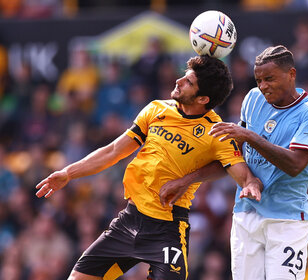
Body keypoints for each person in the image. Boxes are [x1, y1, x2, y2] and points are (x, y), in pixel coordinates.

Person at [35, 55, 263, 280]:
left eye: (188, 82)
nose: (178, 81)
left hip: (168, 229)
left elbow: (240, 173)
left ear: (203, 99)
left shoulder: (216, 132)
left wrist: (250, 183)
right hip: (129, 220)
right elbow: (114, 151)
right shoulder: (156, 109)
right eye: (184, 76)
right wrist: (68, 173)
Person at [160, 45, 308, 280]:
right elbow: (231, 159)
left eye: (269, 79)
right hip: (246, 214)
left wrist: (249, 135)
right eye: (258, 80)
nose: (263, 86)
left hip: (287, 219)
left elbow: (295, 164)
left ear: (291, 74)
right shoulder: (252, 99)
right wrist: (186, 181)